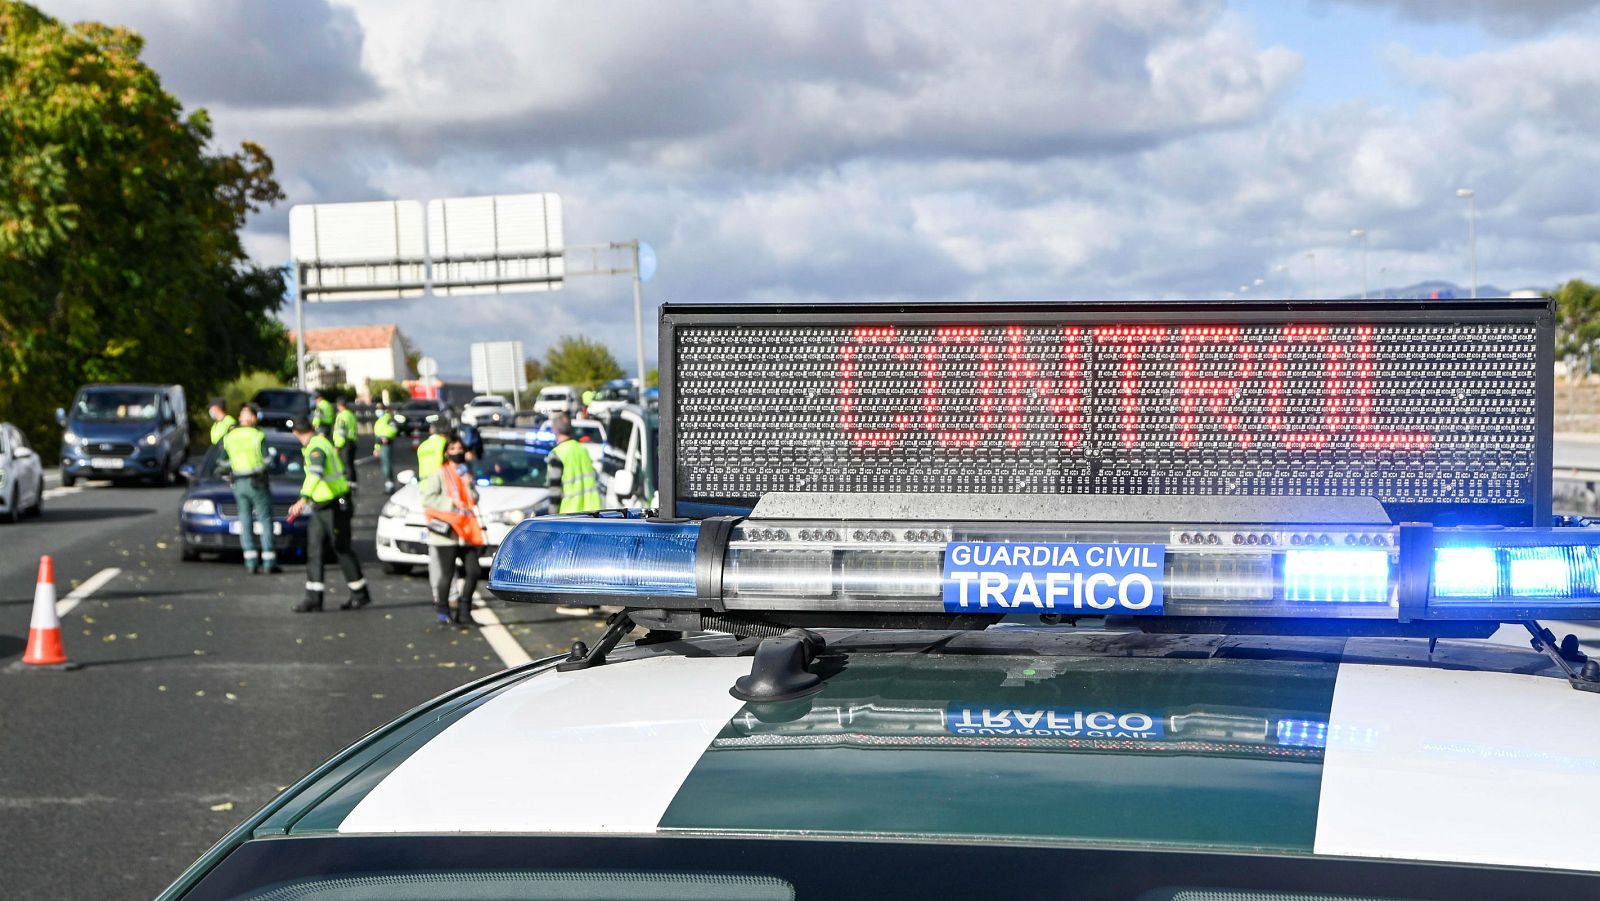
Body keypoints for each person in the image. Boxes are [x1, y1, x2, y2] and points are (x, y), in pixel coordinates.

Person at [286, 420, 371, 613]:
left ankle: (360, 594)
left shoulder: (317, 447)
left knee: (341, 548)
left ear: (296, 433)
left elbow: (315, 474)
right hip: (321, 506)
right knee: (314, 550)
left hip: (334, 505)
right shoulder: (319, 443)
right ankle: (313, 598)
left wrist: (303, 499)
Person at [420, 432, 485, 627]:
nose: (457, 452)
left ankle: (464, 611)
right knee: (447, 574)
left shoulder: (465, 473)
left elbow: (473, 500)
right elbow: (427, 499)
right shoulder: (439, 474)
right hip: (446, 533)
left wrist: (469, 485)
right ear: (446, 453)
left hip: (465, 532)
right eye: (453, 449)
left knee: (473, 571)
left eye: (460, 449)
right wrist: (451, 502)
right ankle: (443, 611)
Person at [219, 405, 280, 574]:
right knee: (265, 519)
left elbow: (222, 462)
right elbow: (267, 460)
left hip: (239, 483)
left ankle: (250, 562)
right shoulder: (257, 435)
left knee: (245, 520)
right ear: (254, 418)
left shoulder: (230, 436)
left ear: (240, 418)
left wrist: (233, 470)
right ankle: (269, 561)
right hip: (257, 482)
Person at [545, 413, 602, 513]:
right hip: (592, 512)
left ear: (555, 429)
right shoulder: (582, 449)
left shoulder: (557, 454)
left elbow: (555, 490)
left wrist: (551, 517)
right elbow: (594, 476)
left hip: (569, 515)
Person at [333, 396, 360, 486]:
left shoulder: (341, 416)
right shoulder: (351, 415)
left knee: (345, 464)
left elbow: (341, 432)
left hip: (344, 443)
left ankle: (347, 484)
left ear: (339, 405)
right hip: (352, 441)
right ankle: (353, 483)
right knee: (350, 464)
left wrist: (338, 446)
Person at [372, 403, 398, 493]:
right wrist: (376, 448)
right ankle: (388, 484)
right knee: (384, 465)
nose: (378, 411)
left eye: (380, 409)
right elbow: (377, 435)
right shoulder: (379, 421)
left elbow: (394, 429)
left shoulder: (388, 418)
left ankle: (390, 485)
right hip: (380, 443)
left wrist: (387, 437)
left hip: (386, 443)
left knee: (387, 464)